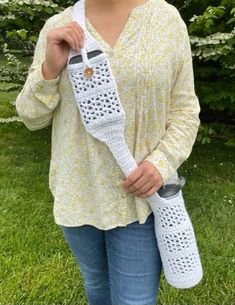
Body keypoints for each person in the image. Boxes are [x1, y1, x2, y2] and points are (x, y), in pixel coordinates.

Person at [15, 0, 201, 304]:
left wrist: (161, 163)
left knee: (134, 300)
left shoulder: (166, 20)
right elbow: (31, 117)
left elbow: (185, 110)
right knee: (97, 286)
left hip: (139, 199)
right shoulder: (59, 27)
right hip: (79, 195)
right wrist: (50, 68)